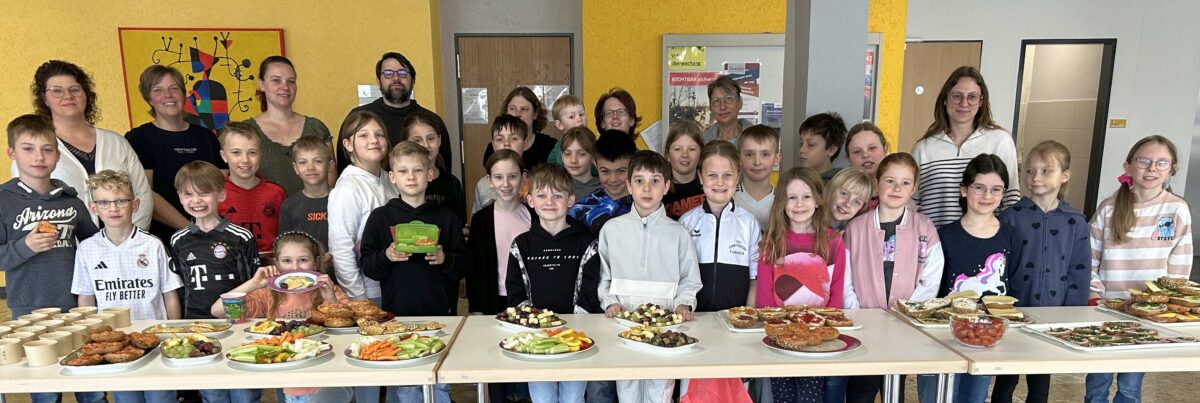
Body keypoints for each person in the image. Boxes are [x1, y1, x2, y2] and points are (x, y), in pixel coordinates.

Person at [1, 115, 104, 403]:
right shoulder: (3, 201)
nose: (39, 157)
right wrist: (26, 246)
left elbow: (94, 246)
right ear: (12, 153)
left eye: (47, 149)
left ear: (58, 155)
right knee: (45, 389)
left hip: (77, 305)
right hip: (29, 309)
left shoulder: (71, 201)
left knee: (91, 386)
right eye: (28, 148)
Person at [1086, 135, 1191, 403]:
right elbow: (1088, 260)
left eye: (1161, 162)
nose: (1152, 168)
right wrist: (1095, 297)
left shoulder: (1176, 209)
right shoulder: (1109, 208)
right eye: (1144, 161)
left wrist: (1164, 309)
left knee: (1130, 388)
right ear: (1128, 166)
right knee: (1097, 384)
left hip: (1147, 316)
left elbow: (1179, 269)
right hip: (1106, 310)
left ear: (1172, 169)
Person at [360, 141, 466, 403]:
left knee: (439, 381)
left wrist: (445, 258)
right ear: (392, 177)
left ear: (430, 174)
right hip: (398, 315)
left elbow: (465, 263)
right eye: (403, 171)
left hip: (441, 313)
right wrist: (387, 255)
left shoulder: (446, 217)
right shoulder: (380, 218)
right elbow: (367, 265)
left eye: (418, 170)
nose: (411, 177)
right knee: (407, 384)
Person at [598, 150, 702, 403]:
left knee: (660, 391)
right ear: (629, 186)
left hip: (665, 326)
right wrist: (609, 302)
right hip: (623, 325)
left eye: (655, 181)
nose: (647, 188)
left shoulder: (678, 233)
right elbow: (603, 277)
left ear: (666, 186)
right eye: (639, 180)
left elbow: (690, 279)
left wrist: (683, 303)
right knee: (628, 390)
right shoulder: (611, 230)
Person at [989, 141, 1088, 403]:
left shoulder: (1075, 221)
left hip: (1053, 314)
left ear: (1064, 176)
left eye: (1046, 171)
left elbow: (1079, 271)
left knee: (1040, 379)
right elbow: (1001, 268)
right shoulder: (1010, 217)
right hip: (1014, 312)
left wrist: (1072, 315)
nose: (1036, 177)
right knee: (1006, 376)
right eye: (1030, 171)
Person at [73, 170, 181, 403]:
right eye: (104, 202)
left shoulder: (152, 245)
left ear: (135, 204)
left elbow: (170, 294)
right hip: (115, 343)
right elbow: (85, 298)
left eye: (121, 200)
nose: (113, 208)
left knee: (161, 396)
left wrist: (172, 332)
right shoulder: (87, 248)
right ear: (93, 208)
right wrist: (93, 336)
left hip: (154, 337)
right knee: (126, 396)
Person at [844, 153, 944, 403]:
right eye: (890, 181)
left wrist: (909, 312)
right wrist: (857, 315)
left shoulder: (925, 227)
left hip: (904, 325)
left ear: (914, 188)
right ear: (877, 184)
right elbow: (845, 279)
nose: (897, 188)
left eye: (905, 182)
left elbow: (931, 277)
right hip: (864, 325)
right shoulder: (856, 228)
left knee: (893, 389)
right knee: (861, 390)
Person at [756, 167, 859, 402]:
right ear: (782, 202)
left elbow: (835, 296)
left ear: (818, 201)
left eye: (806, 196)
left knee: (810, 397)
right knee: (783, 397)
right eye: (791, 197)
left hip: (817, 339)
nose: (799, 204)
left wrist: (820, 332)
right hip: (781, 337)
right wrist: (780, 332)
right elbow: (764, 298)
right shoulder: (771, 243)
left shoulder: (833, 242)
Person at [212, 232, 351, 403]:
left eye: (303, 260)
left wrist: (331, 299)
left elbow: (350, 328)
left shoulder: (328, 289)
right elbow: (218, 310)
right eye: (287, 261)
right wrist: (254, 284)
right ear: (276, 263)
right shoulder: (268, 294)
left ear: (316, 262)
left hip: (326, 373)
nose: (295, 268)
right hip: (286, 375)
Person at [507, 164, 602, 403]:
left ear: (570, 200)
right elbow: (515, 291)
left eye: (557, 195)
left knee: (573, 398)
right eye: (542, 195)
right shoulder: (522, 245)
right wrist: (536, 326)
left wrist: (571, 329)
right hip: (536, 339)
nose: (549, 201)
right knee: (542, 398)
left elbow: (591, 289)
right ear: (530, 200)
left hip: (577, 337)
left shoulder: (586, 241)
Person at [167, 160, 260, 403]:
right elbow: (178, 287)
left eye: (204, 192)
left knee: (244, 392)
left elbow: (255, 284)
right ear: (179, 197)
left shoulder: (241, 237)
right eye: (188, 194)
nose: (196, 200)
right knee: (212, 392)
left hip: (237, 325)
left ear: (221, 194)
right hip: (198, 326)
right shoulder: (178, 240)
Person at [21, 60, 152, 229]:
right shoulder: (33, 149)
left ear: (86, 94)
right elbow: (29, 205)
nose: (67, 96)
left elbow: (142, 195)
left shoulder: (116, 142)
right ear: (44, 99)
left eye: (74, 89)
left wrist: (128, 243)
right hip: (65, 250)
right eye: (56, 91)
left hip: (126, 249)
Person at [933, 154, 1022, 403]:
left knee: (974, 396)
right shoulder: (945, 235)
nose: (987, 196)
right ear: (964, 190)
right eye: (979, 187)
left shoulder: (1012, 236)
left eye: (996, 189)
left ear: (1004, 193)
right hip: (948, 332)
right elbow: (937, 288)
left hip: (987, 336)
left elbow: (1013, 284)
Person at [125, 64, 228, 241]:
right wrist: (191, 229)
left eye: (174, 88)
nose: (168, 96)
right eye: (158, 90)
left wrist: (209, 228)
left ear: (183, 93)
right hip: (163, 238)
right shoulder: (138, 138)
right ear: (148, 98)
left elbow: (222, 185)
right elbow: (145, 193)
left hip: (211, 234)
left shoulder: (206, 136)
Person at [912, 66, 1019, 226]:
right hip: (934, 244)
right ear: (945, 99)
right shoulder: (924, 148)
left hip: (984, 243)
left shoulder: (1000, 141)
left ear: (981, 102)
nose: (964, 103)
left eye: (972, 97)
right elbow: (913, 204)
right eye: (957, 96)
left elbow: (1010, 201)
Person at [337, 52, 452, 174]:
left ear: (412, 80)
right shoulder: (359, 117)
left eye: (402, 73)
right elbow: (343, 164)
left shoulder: (431, 120)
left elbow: (444, 167)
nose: (396, 78)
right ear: (378, 81)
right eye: (388, 73)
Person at [679, 140, 761, 311]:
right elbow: (678, 276)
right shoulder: (686, 222)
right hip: (694, 319)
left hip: (736, 321)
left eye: (727, 175)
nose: (720, 182)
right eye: (712, 175)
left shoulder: (749, 223)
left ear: (738, 177)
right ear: (701, 177)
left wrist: (747, 314)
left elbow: (755, 279)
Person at [329, 111, 397, 303]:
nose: (374, 140)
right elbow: (341, 248)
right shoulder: (347, 189)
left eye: (380, 134)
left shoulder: (389, 179)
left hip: (394, 284)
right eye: (363, 135)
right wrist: (358, 297)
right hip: (368, 291)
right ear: (348, 144)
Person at [244, 56, 334, 195]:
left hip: (314, 214)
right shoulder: (247, 131)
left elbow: (331, 180)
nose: (285, 87)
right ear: (261, 84)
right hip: (264, 215)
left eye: (291, 81)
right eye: (276, 80)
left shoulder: (316, 128)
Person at [467, 150, 533, 316]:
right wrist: (476, 308)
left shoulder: (535, 217)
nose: (506, 184)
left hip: (529, 300)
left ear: (523, 178)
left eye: (512, 176)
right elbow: (474, 269)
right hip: (493, 300)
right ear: (490, 181)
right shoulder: (481, 220)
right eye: (498, 177)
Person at [217, 122, 287, 253]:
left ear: (260, 154)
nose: (245, 160)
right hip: (230, 265)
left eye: (252, 153)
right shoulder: (215, 195)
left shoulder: (276, 193)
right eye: (236, 152)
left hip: (271, 265)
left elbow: (286, 237)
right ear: (224, 156)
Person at [569, 130, 637, 235]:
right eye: (605, 171)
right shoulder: (581, 210)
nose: (613, 179)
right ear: (595, 165)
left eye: (621, 171)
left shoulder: (646, 206)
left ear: (633, 166)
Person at [404, 111, 466, 223]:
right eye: (417, 140)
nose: (425, 145)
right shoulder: (401, 182)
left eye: (431, 138)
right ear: (406, 143)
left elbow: (459, 223)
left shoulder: (452, 183)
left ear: (439, 140)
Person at [481, 87, 558, 169]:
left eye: (524, 109)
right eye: (512, 109)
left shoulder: (551, 146)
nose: (517, 114)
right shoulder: (493, 148)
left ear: (535, 114)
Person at [278, 136, 333, 250]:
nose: (310, 167)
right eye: (303, 162)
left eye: (318, 161)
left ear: (330, 165)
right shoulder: (289, 206)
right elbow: (285, 247)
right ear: (295, 168)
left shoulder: (343, 200)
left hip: (340, 265)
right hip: (302, 267)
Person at [471, 115, 529, 214]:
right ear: (493, 144)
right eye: (500, 139)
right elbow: (477, 222)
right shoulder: (483, 185)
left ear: (525, 143)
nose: (506, 143)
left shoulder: (537, 182)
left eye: (514, 138)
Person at [733, 124, 781, 228]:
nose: (757, 162)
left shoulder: (784, 200)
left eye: (765, 155)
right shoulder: (728, 199)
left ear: (777, 159)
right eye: (749, 154)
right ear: (739, 158)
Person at [662, 120, 705, 219]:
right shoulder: (658, 190)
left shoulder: (711, 186)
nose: (685, 154)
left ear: (701, 153)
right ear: (668, 154)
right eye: (677, 149)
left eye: (692, 149)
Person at [796, 112, 848, 183]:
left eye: (810, 144)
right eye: (801, 143)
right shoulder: (795, 181)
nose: (802, 150)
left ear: (832, 150)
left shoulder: (841, 186)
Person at [702, 75, 754, 144]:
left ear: (740, 103)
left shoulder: (758, 138)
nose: (723, 107)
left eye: (729, 98)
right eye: (716, 101)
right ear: (710, 108)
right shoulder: (702, 142)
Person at [845, 121, 889, 198]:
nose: (865, 155)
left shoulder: (900, 188)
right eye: (857, 151)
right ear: (848, 158)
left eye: (872, 148)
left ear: (885, 149)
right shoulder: (842, 193)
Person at [546, 94, 588, 166]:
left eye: (581, 114)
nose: (579, 119)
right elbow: (565, 165)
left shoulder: (588, 140)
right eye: (572, 117)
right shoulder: (563, 144)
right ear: (560, 125)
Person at [560, 127, 602, 199]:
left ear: (593, 155)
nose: (573, 160)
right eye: (567, 154)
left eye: (582, 154)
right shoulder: (556, 188)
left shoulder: (606, 187)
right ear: (562, 156)